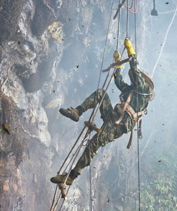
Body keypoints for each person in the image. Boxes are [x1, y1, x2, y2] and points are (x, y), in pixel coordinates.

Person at [50, 38, 154, 185]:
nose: (136, 80)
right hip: (112, 117)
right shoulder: (132, 90)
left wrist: (131, 52)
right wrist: (118, 66)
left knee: (95, 143)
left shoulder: (144, 92)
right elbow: (118, 82)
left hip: (118, 125)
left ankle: (71, 177)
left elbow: (136, 72)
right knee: (101, 94)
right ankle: (77, 112)